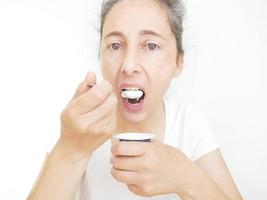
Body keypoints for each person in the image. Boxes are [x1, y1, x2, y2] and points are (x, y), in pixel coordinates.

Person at [27, 0, 243, 199]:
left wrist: (185, 175)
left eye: (150, 46)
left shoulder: (188, 124)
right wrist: (71, 148)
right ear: (100, 56)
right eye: (115, 45)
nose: (129, 65)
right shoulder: (79, 126)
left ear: (178, 62)